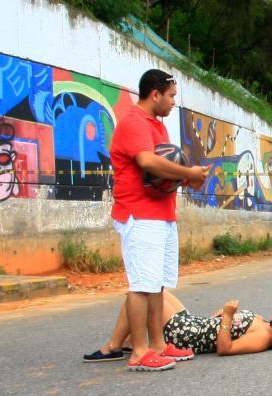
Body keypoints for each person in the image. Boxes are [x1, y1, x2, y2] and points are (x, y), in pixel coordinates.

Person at [109, 69, 209, 371]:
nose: (173, 102)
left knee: (157, 285)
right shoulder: (133, 123)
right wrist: (188, 173)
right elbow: (148, 162)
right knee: (141, 285)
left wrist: (187, 180)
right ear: (155, 94)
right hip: (139, 214)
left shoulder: (158, 127)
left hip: (160, 214)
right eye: (171, 96)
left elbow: (161, 173)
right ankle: (139, 352)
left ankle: (158, 345)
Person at [84, 290, 272, 361]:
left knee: (142, 293)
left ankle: (114, 345)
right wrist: (222, 318)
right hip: (193, 323)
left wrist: (226, 317)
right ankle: (128, 341)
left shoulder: (264, 338)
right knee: (157, 289)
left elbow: (225, 349)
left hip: (185, 334)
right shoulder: (266, 325)